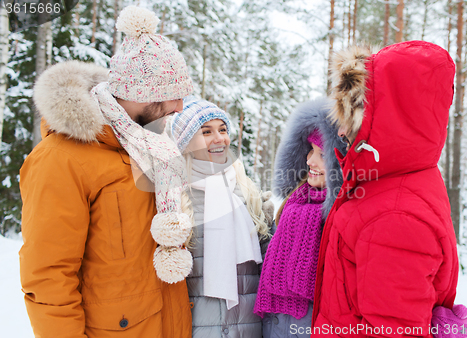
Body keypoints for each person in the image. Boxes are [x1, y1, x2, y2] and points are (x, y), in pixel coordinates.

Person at [19, 6, 194, 338]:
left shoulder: (152, 148)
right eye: (172, 96)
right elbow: (48, 279)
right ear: (140, 93)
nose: (179, 107)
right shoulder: (61, 159)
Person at [312, 41, 461, 337]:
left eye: (353, 114)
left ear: (389, 115)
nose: (341, 131)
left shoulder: (394, 215)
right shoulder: (393, 180)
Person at [171, 96, 273, 338]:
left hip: (249, 327)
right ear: (185, 142)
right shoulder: (175, 196)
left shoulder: (247, 191)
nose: (219, 138)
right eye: (206, 132)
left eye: (223, 129)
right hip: (196, 328)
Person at [253, 99, 345, 338]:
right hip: (272, 325)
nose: (310, 161)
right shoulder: (293, 202)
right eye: (310, 151)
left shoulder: (342, 216)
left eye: (322, 154)